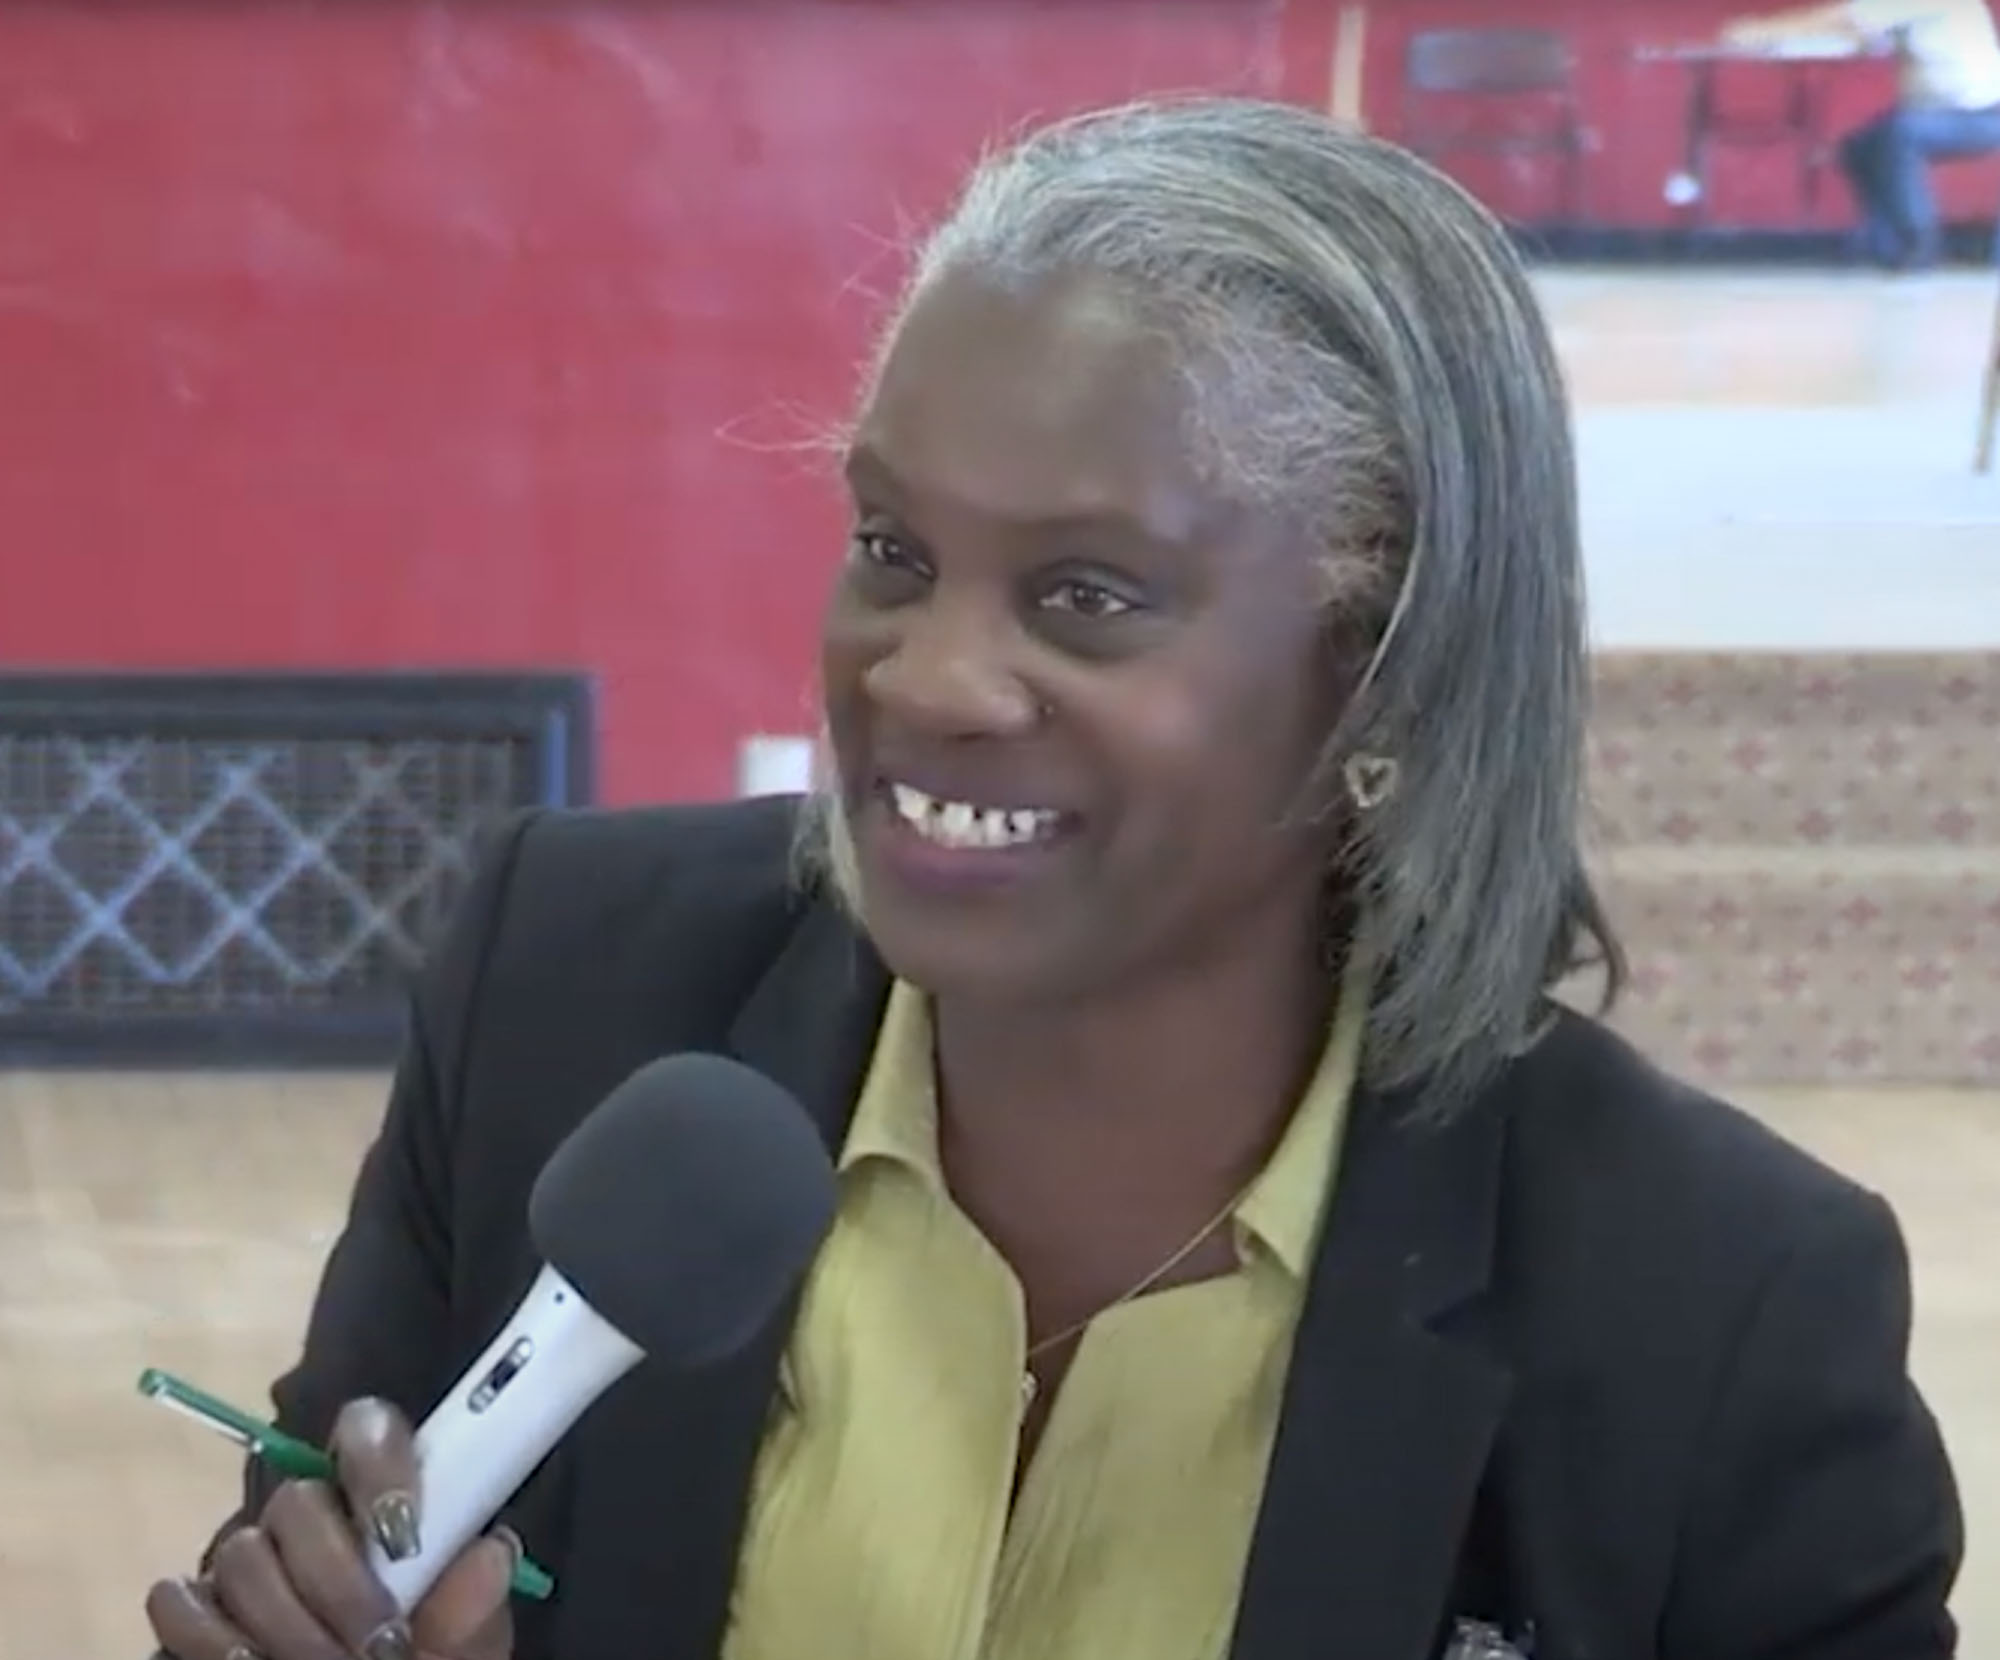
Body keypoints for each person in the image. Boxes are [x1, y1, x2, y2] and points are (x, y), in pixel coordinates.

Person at [144, 97, 1963, 1660]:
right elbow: (335, 1506)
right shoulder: (564, 990)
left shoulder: (1716, 1309)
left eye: (1089, 592)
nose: (926, 678)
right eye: (892, 548)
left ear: (1389, 657)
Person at [1724, 0, 2000, 268]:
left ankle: (1918, 243)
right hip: (1947, 115)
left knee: (1899, 135)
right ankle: (1884, 245)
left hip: (1983, 117)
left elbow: (1844, 16)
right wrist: (1780, 41)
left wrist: (1762, 29)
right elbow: (1860, 34)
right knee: (1859, 147)